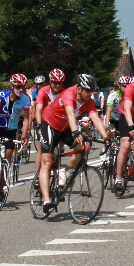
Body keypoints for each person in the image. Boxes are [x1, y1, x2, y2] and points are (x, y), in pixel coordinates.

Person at [36, 73, 110, 214]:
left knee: (84, 147)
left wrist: (106, 137)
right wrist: (76, 132)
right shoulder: (69, 94)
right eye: (88, 91)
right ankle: (46, 200)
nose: (90, 94)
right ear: (79, 88)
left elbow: (95, 118)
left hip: (65, 128)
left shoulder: (88, 100)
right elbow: (70, 113)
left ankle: (65, 172)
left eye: (92, 91)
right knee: (47, 162)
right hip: (50, 125)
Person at [0, 73, 32, 179]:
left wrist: (25, 136)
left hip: (12, 129)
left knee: (8, 156)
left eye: (23, 87)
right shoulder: (1, 96)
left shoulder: (25, 99)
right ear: (12, 86)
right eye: (18, 87)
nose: (21, 89)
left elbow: (26, 119)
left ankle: (2, 185)